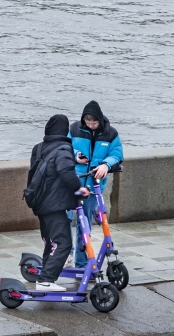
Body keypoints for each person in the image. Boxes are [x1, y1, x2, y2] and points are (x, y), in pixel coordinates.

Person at [28, 114, 83, 292]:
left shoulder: (39, 148)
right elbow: (65, 171)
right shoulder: (64, 148)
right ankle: (46, 280)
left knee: (51, 242)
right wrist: (79, 188)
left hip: (39, 202)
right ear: (64, 130)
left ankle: (45, 274)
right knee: (63, 242)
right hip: (54, 204)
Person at [67, 100, 124, 268]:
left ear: (100, 120)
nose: (91, 125)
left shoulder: (111, 134)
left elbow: (117, 153)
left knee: (84, 225)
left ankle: (82, 263)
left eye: (94, 122)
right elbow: (64, 147)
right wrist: (76, 155)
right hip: (73, 182)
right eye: (88, 122)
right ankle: (66, 255)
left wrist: (106, 164)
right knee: (65, 219)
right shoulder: (74, 129)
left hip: (92, 186)